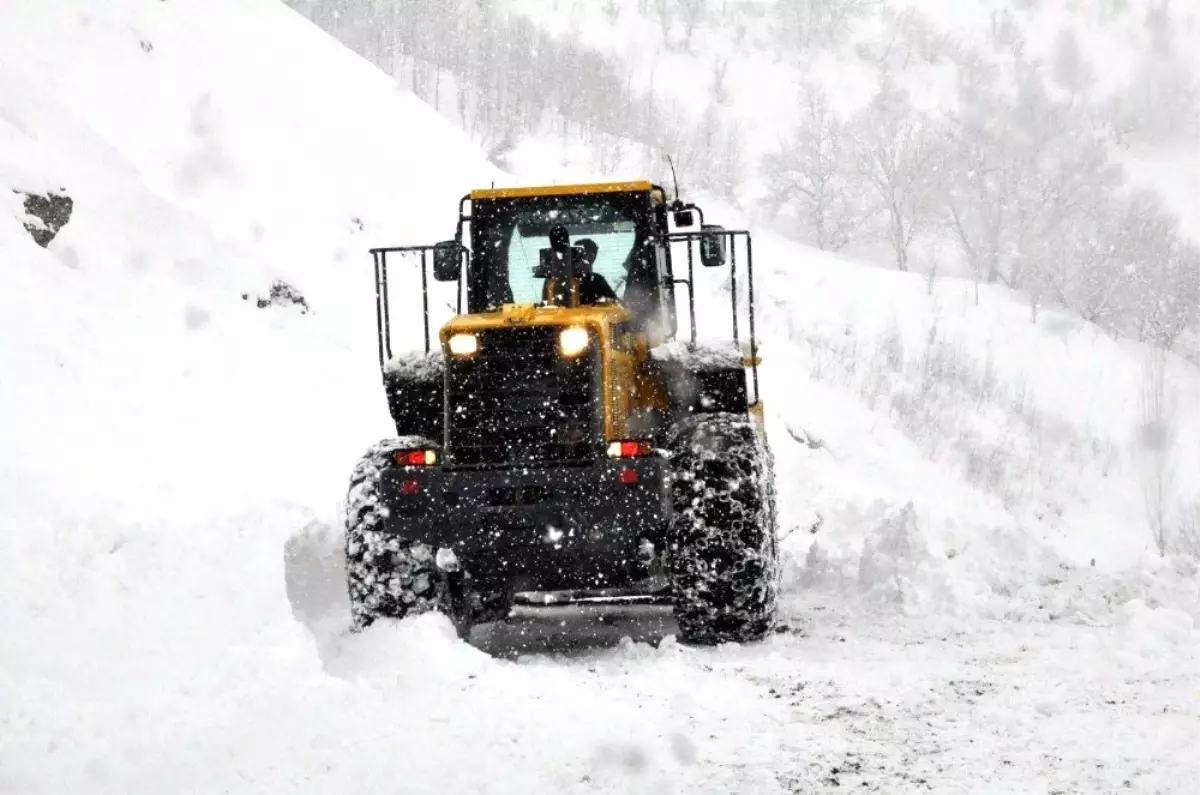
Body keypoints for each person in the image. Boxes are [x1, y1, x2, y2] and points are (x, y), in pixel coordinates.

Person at [542, 237, 619, 305]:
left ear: (590, 258)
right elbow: (546, 307)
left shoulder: (597, 281)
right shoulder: (555, 280)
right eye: (572, 254)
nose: (572, 258)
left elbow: (615, 305)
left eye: (577, 254)